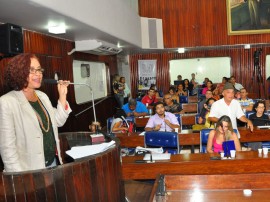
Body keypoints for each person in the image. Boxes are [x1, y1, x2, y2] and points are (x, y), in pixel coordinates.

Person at [0, 53, 72, 172]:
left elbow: (58, 121)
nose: (38, 74)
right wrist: (20, 180)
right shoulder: (6, 102)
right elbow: (8, 150)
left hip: (53, 163)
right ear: (19, 72)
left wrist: (62, 95)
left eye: (39, 70)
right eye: (32, 70)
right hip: (28, 172)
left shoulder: (42, 96)